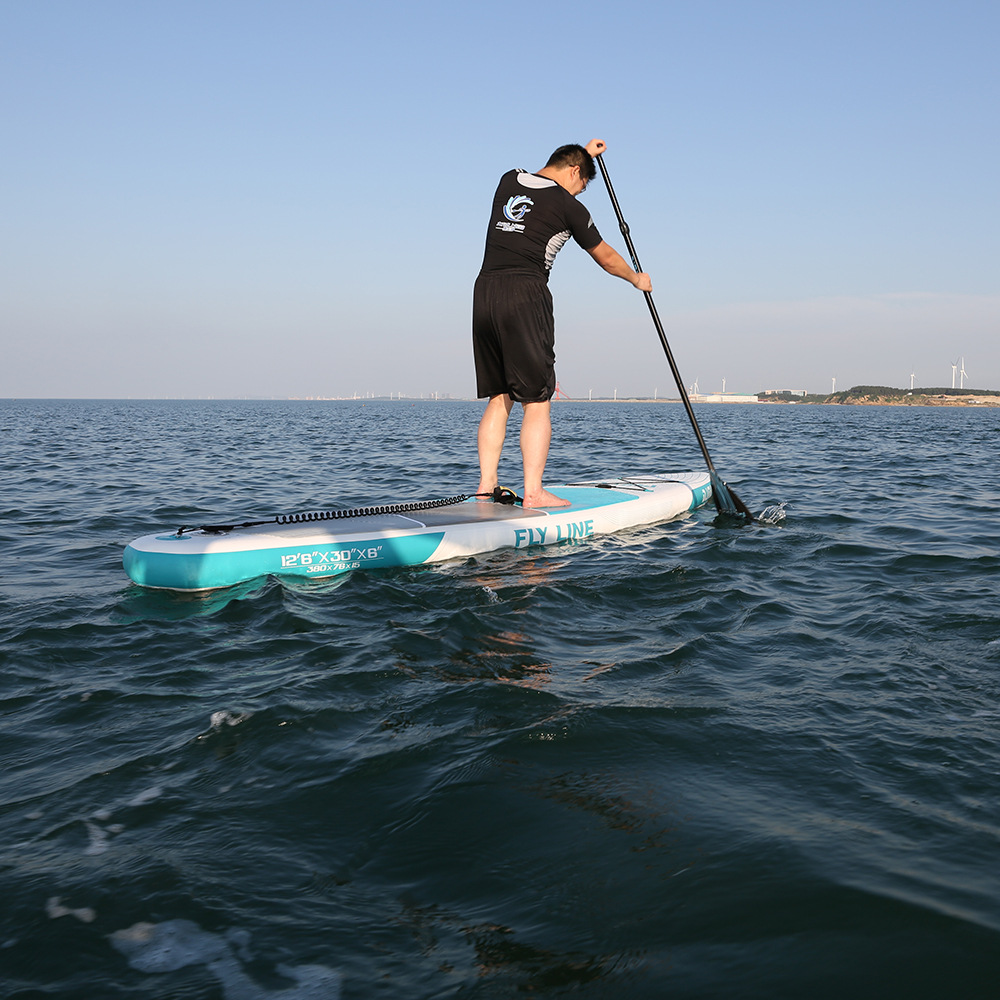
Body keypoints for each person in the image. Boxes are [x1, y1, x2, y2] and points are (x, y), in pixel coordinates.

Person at [473, 139, 652, 508]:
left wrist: (584, 154)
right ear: (574, 173)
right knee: (537, 400)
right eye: (583, 182)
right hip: (526, 294)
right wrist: (637, 279)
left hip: (485, 293)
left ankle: (485, 485)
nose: (580, 189)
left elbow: (550, 178)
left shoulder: (508, 179)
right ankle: (534, 492)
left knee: (499, 395)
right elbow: (604, 256)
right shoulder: (569, 206)